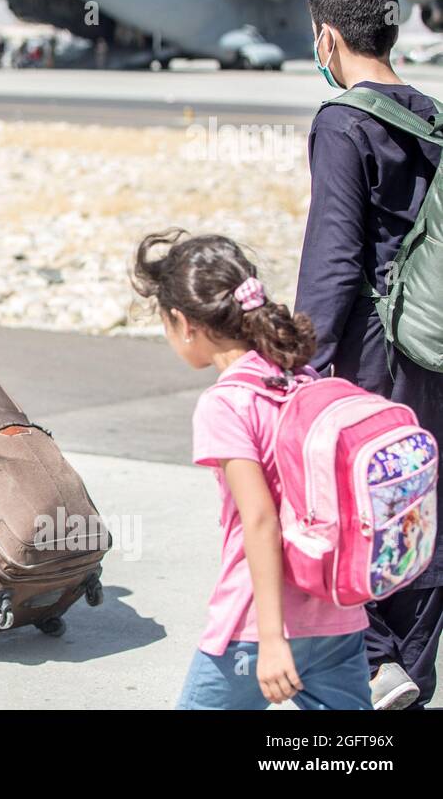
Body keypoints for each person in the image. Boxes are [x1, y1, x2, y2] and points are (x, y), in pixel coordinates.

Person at [132, 230, 371, 710]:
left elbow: (260, 519)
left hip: (255, 624)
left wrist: (271, 639)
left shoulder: (226, 403)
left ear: (183, 322)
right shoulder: (300, 378)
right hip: (338, 615)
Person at [296, 0, 443, 710]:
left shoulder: (343, 121)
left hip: (374, 354)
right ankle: (414, 663)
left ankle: (378, 673)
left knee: (364, 504)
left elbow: (334, 256)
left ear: (329, 35)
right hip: (434, 349)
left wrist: (304, 366)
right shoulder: (433, 116)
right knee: (422, 501)